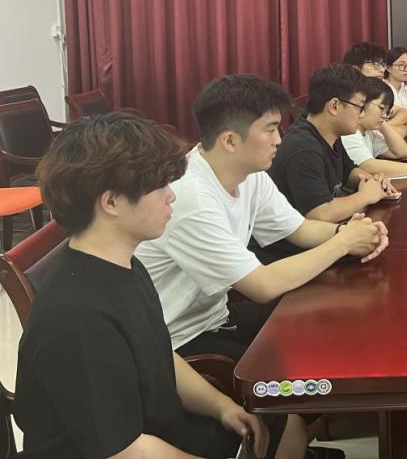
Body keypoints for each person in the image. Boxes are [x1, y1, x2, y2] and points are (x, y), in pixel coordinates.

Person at [14, 113, 303, 459]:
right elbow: (125, 449)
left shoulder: (125, 263)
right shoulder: (79, 318)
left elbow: (159, 354)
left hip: (159, 429)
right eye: (159, 186)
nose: (171, 196)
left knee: (278, 416)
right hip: (123, 449)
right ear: (111, 202)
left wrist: (221, 406)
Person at [135, 74, 389, 362]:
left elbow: (300, 229)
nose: (279, 139)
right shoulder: (192, 197)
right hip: (179, 340)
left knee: (332, 311)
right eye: (270, 130)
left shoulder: (248, 174)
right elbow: (263, 285)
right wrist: (343, 243)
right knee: (295, 365)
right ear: (230, 141)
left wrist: (354, 232)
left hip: (217, 316)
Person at [268, 64, 398, 225]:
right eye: (360, 107)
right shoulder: (303, 147)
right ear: (334, 106)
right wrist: (366, 195)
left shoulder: (330, 133)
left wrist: (371, 181)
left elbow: (348, 172)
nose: (362, 114)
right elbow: (320, 213)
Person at [342, 77, 407, 178]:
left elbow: (402, 152)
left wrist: (382, 123)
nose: (385, 115)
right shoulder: (349, 132)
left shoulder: (368, 132)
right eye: (381, 108)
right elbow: (367, 166)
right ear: (362, 103)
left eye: (387, 111)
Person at [342, 41, 407, 130]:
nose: (382, 70)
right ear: (355, 68)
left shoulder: (375, 94)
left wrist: (386, 127)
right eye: (375, 65)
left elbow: (406, 114)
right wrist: (398, 128)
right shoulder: (347, 97)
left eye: (382, 65)